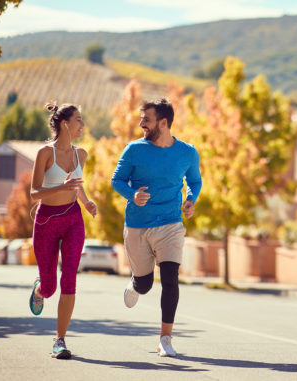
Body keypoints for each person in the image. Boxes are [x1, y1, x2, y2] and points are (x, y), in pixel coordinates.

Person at [111, 98, 201, 357]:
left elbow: (194, 180)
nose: (141, 124)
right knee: (146, 284)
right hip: (138, 225)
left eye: (146, 120)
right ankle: (136, 285)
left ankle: (165, 339)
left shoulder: (187, 152)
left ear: (163, 123)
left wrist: (191, 199)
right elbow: (117, 180)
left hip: (170, 223)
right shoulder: (134, 150)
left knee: (171, 279)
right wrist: (132, 195)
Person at [28, 102, 98, 359]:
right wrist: (61, 188)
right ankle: (39, 289)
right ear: (65, 124)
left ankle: (60, 339)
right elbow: (34, 193)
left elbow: (77, 187)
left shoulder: (82, 155)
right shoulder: (45, 153)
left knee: (69, 279)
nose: (82, 124)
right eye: (78, 119)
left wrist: (86, 201)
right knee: (50, 287)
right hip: (46, 221)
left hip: (73, 220)